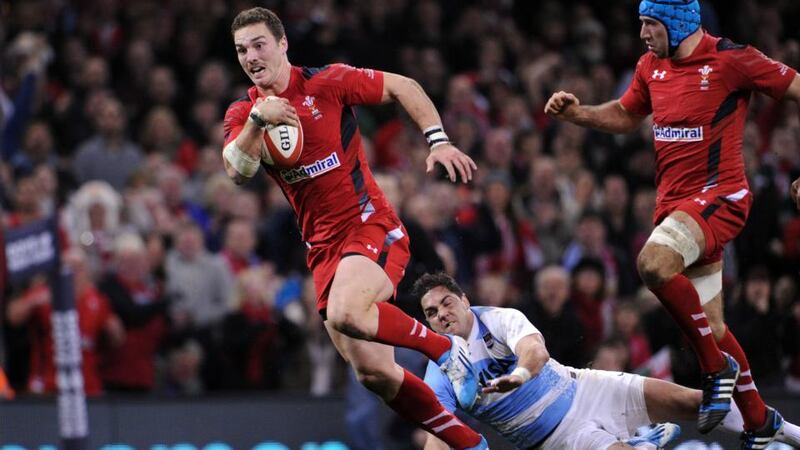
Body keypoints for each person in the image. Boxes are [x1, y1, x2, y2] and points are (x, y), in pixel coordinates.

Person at [221, 8, 486, 449]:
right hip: (323, 251)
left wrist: (438, 141)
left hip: (370, 224)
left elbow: (404, 86)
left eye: (259, 44)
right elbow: (236, 171)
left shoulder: (327, 82)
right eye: (241, 50)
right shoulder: (243, 112)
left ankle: (448, 352)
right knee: (375, 374)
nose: (250, 56)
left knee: (347, 312)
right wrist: (257, 120)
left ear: (283, 44)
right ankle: (470, 444)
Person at [544, 0, 800, 446]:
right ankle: (759, 421)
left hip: (721, 199)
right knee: (712, 329)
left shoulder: (732, 59)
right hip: (676, 209)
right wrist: (577, 114)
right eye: (641, 23)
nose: (642, 33)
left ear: (678, 22)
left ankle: (715, 369)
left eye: (650, 24)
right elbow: (626, 115)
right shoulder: (650, 66)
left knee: (653, 263)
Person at [412, 272, 800, 450]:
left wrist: (520, 374)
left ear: (465, 300)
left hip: (585, 387)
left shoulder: (497, 318)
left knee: (695, 401)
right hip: (560, 439)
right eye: (431, 312)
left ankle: (792, 435)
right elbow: (438, 431)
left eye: (447, 302)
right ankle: (639, 444)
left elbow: (535, 350)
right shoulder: (440, 369)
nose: (442, 314)